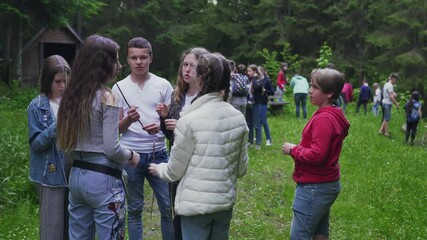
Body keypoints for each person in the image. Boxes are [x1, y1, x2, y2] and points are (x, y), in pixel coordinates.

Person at [149, 52, 249, 240]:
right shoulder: (238, 118)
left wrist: (158, 168)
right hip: (224, 205)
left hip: (195, 208)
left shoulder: (188, 120)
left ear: (200, 78)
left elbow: (173, 172)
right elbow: (241, 169)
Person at [57, 35, 140, 239]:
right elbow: (111, 148)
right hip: (104, 179)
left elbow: (64, 142)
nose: (120, 66)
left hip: (76, 177)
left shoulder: (70, 96)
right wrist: (131, 155)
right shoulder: (107, 96)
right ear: (103, 64)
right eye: (116, 60)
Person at [112, 37, 174, 240]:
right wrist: (129, 120)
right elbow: (115, 130)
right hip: (131, 155)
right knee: (135, 209)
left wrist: (160, 125)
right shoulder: (118, 88)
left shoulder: (163, 85)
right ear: (127, 60)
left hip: (159, 153)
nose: (138, 62)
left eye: (143, 57)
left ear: (151, 58)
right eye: (134, 58)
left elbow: (173, 122)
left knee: (167, 207)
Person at [281, 68, 350, 240]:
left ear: (329, 93)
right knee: (320, 232)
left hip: (315, 186)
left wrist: (293, 149)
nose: (310, 91)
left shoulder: (324, 119)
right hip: (325, 183)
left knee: (300, 235)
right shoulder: (332, 113)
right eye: (311, 86)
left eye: (315, 87)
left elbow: (318, 155)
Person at [156, 47, 209, 240]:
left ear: (203, 69)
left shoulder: (207, 98)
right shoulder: (177, 96)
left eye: (192, 66)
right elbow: (172, 137)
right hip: (177, 164)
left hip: (198, 167)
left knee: (195, 217)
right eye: (184, 65)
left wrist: (182, 125)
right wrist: (164, 120)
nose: (187, 70)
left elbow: (208, 135)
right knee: (177, 213)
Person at [27, 55, 71, 240]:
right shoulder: (36, 107)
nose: (62, 86)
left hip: (74, 171)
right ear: (47, 80)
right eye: (58, 81)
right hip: (50, 174)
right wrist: (57, 125)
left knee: (73, 227)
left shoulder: (71, 103)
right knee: (52, 229)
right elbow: (36, 144)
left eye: (65, 81)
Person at [257, 66, 275, 146]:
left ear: (262, 71)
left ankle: (269, 139)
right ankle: (259, 138)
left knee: (263, 120)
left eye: (258, 71)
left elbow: (272, 92)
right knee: (258, 121)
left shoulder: (267, 81)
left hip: (263, 102)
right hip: (257, 102)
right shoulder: (256, 80)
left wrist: (265, 90)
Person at [247, 64, 262, 150]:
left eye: (250, 71)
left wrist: (254, 77)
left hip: (256, 103)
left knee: (257, 124)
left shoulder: (258, 79)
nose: (248, 73)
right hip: (249, 103)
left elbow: (256, 87)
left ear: (254, 71)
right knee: (249, 123)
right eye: (247, 71)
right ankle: (250, 140)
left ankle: (258, 143)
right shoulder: (249, 79)